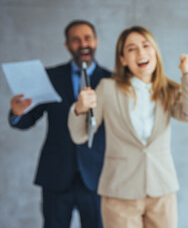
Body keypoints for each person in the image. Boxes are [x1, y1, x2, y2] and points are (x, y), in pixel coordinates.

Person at [68, 26, 188, 228]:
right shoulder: (108, 88)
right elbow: (80, 136)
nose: (140, 53)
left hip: (161, 190)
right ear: (122, 59)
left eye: (146, 45)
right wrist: (79, 108)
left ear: (155, 51)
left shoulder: (167, 90)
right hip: (120, 192)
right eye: (131, 49)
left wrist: (187, 73)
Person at [8, 20, 111, 228]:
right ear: (67, 45)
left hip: (96, 176)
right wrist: (17, 113)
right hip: (56, 174)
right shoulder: (50, 77)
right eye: (76, 40)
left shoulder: (111, 81)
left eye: (87, 38)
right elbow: (27, 119)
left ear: (96, 41)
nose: (83, 44)